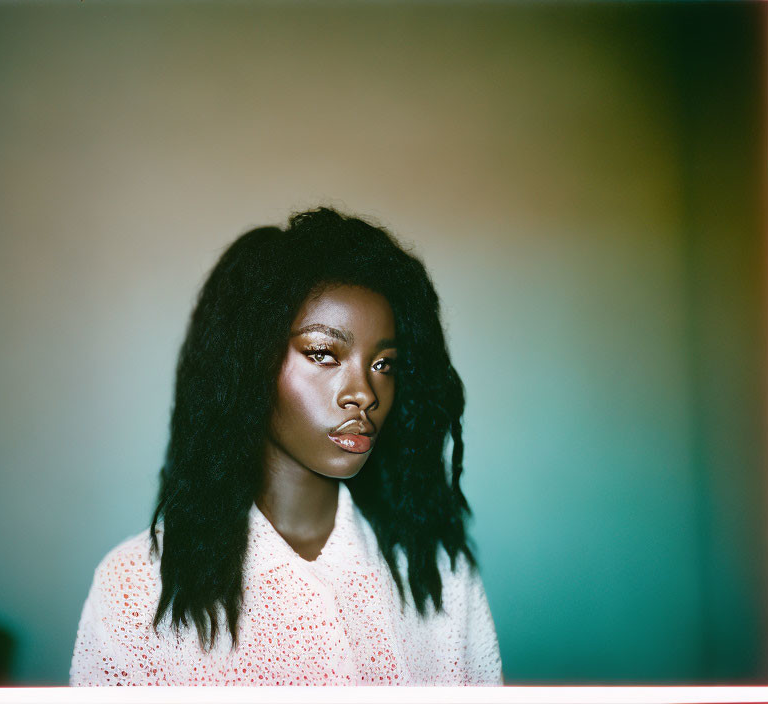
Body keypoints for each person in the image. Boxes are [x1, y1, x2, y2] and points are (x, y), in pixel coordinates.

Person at [69, 207, 503, 686]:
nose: (363, 392)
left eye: (384, 364)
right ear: (249, 363)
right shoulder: (136, 587)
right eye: (323, 354)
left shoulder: (440, 575)